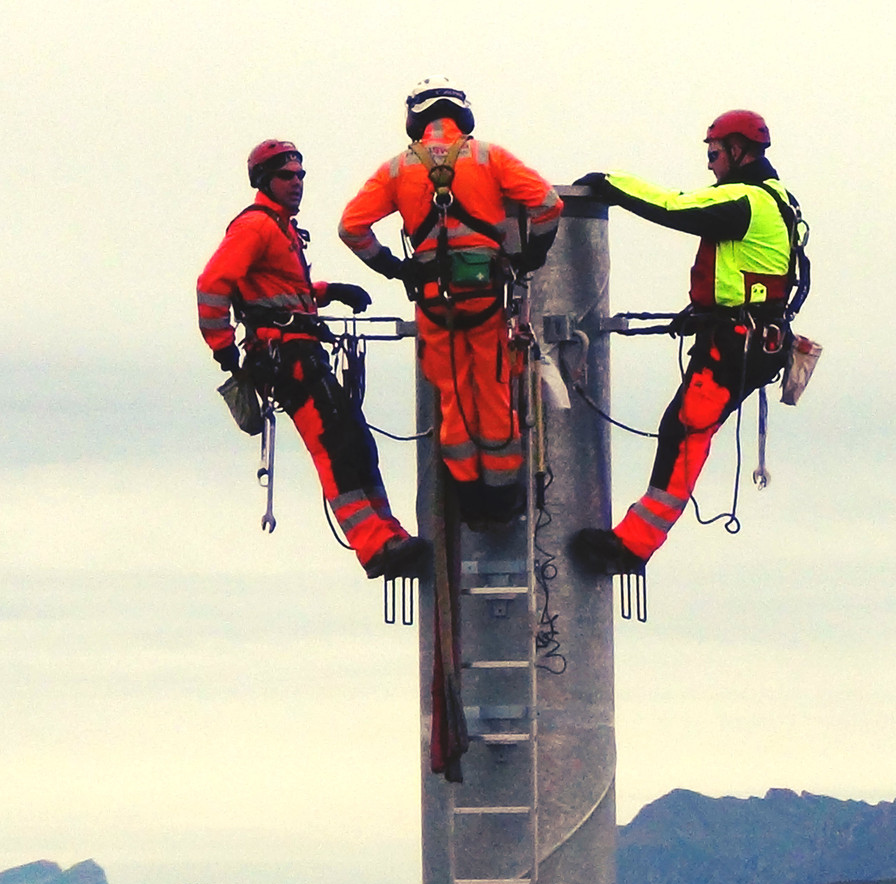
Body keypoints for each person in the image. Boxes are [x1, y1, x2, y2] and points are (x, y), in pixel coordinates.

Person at [567, 109, 808, 576]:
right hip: (750, 340)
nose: (711, 163)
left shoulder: (746, 202)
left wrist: (611, 184)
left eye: (714, 153)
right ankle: (634, 543)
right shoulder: (779, 199)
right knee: (683, 430)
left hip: (736, 344)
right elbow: (747, 273)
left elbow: (675, 207)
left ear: (738, 151)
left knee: (684, 433)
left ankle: (632, 547)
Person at [197, 139, 430, 579]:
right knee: (335, 450)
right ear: (266, 180)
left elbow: (279, 289)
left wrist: (329, 292)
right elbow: (213, 284)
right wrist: (224, 349)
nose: (298, 183)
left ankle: (389, 534)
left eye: (301, 175)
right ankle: (373, 545)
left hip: (302, 348)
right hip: (284, 356)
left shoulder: (280, 228)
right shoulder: (255, 227)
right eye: (288, 176)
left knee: (357, 445)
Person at [339, 76, 562, 529]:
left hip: (433, 300)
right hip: (484, 296)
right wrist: (528, 258)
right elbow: (549, 204)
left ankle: (469, 498)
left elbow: (351, 227)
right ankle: (503, 500)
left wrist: (394, 269)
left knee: (452, 394)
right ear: (461, 115)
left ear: (414, 119)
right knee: (495, 387)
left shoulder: (397, 169)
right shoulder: (488, 156)